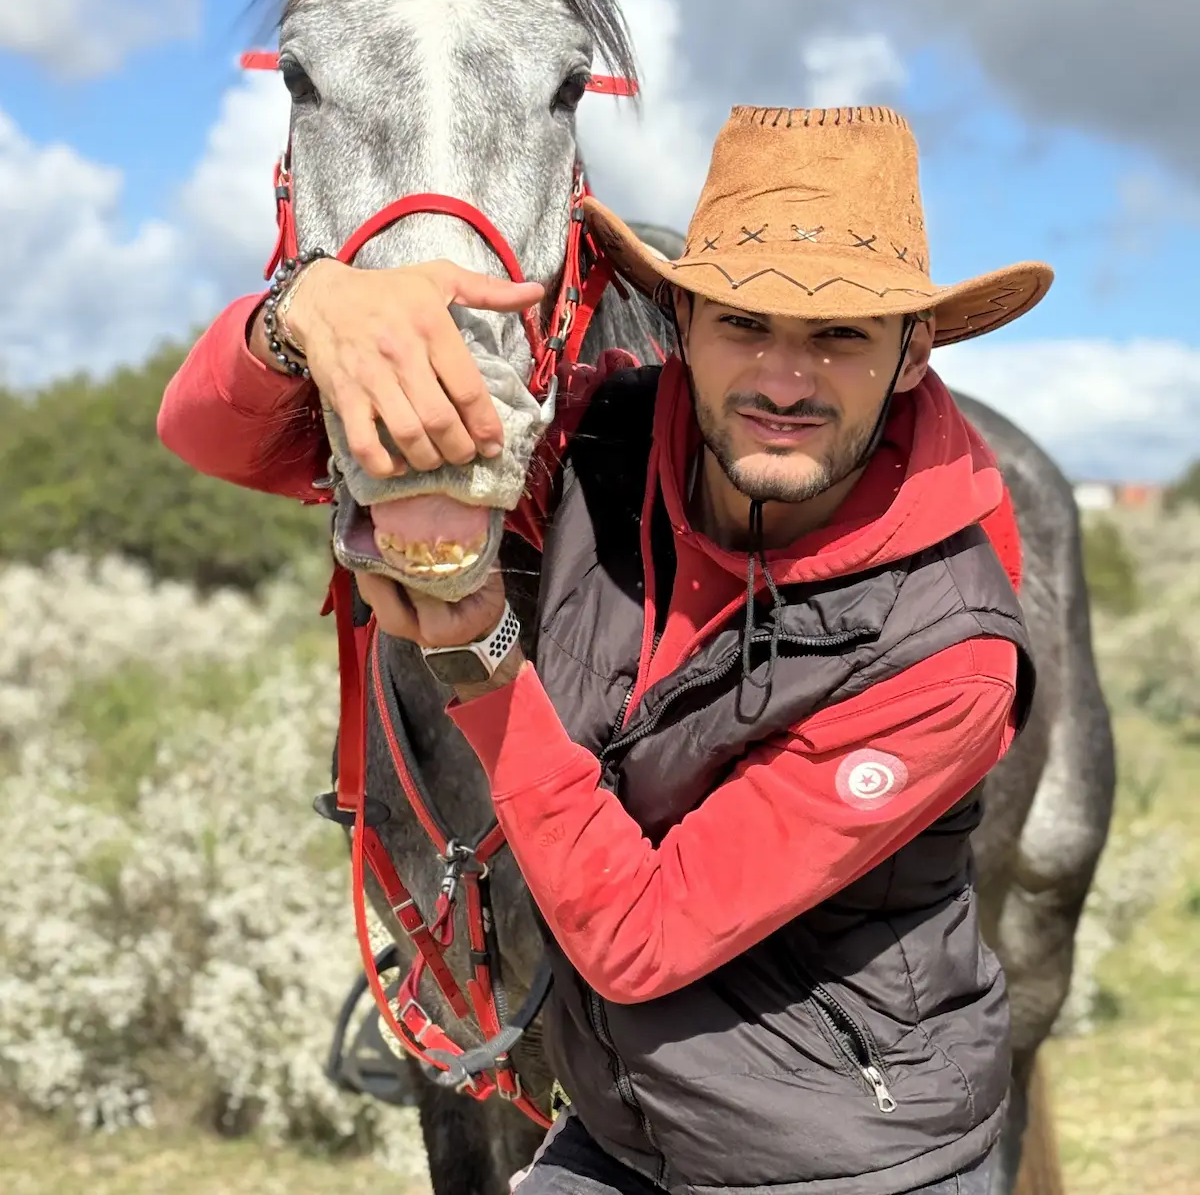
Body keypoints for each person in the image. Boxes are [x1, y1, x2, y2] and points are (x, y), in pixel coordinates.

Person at [159, 104, 1050, 1195]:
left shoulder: (946, 650)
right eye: (741, 323)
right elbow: (211, 436)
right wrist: (304, 311)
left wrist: (484, 667)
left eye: (839, 335)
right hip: (630, 1132)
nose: (782, 380)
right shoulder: (607, 441)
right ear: (681, 318)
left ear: (912, 354)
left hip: (849, 1154)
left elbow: (640, 932)